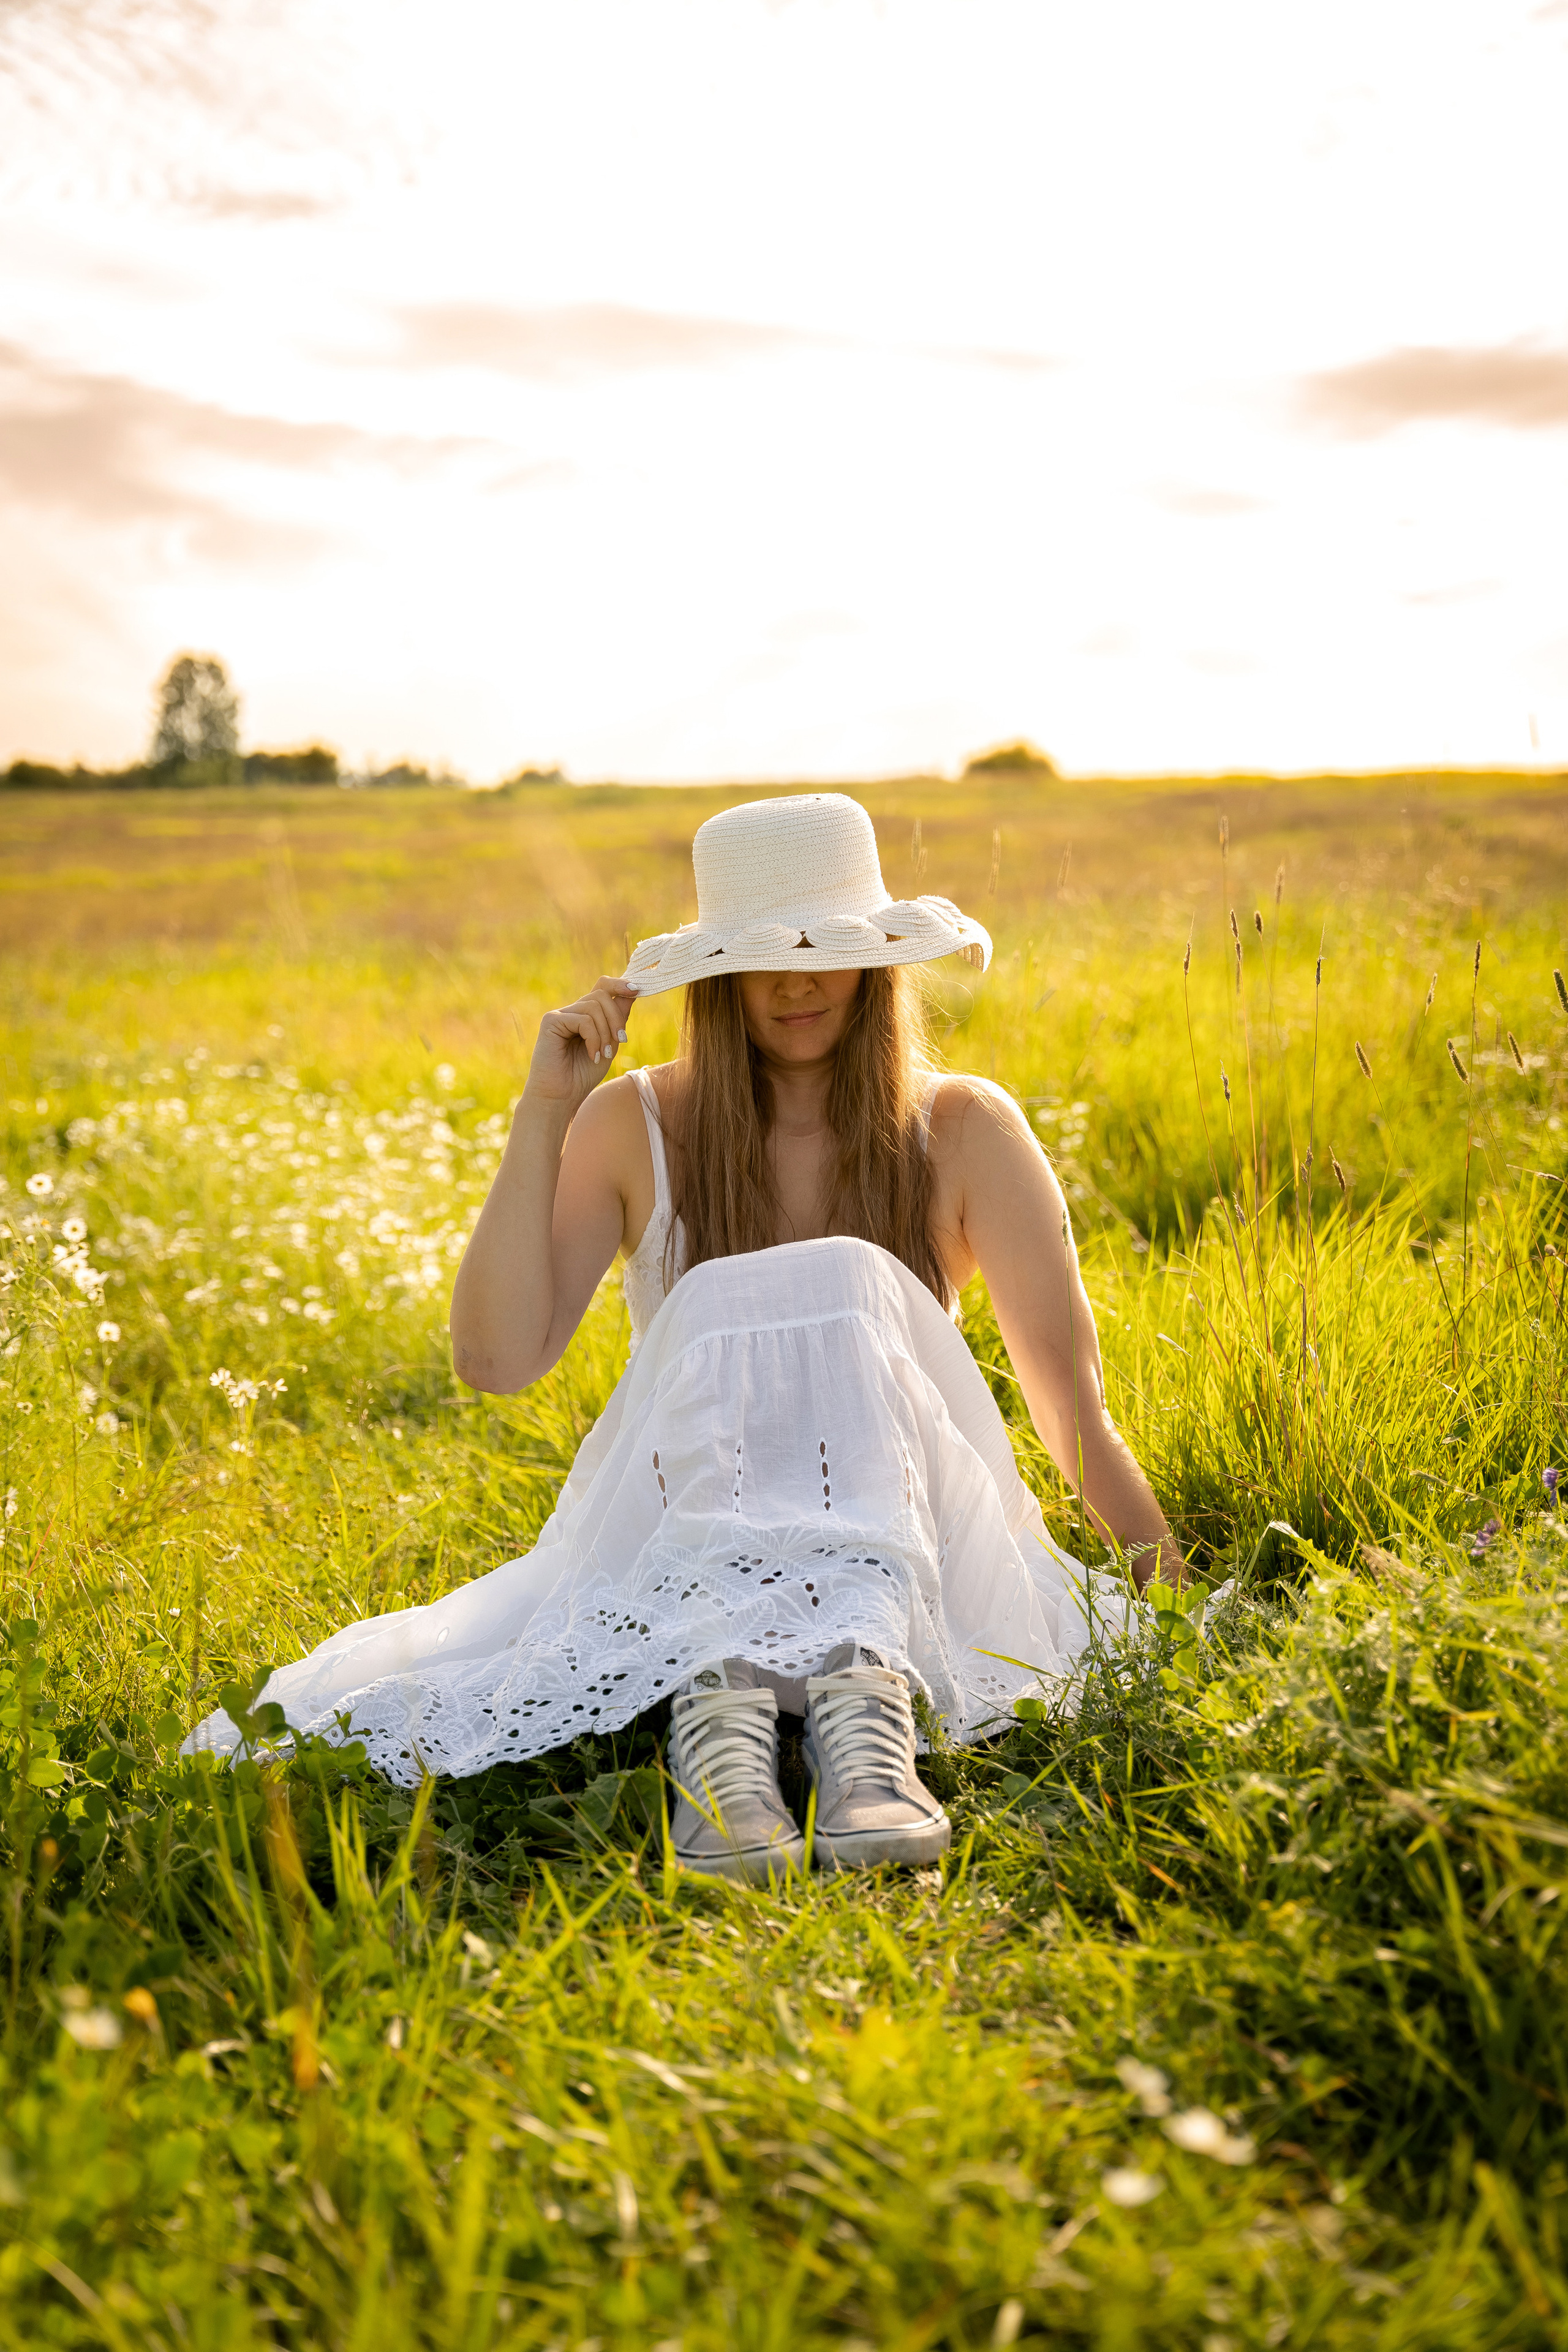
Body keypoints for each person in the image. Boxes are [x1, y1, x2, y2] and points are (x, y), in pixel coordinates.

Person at [188, 795, 1180, 1883]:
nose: (797, 981)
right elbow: (495, 1359)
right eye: (764, 955)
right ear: (716, 972)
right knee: (725, 1298)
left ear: (876, 960)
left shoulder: (962, 1129)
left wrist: (1165, 1594)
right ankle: (725, 1727)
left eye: (825, 947)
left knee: (849, 1276)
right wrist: (544, 1112)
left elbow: (1071, 1407)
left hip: (905, 1549)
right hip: (698, 1550)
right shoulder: (636, 1124)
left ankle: (866, 1703)